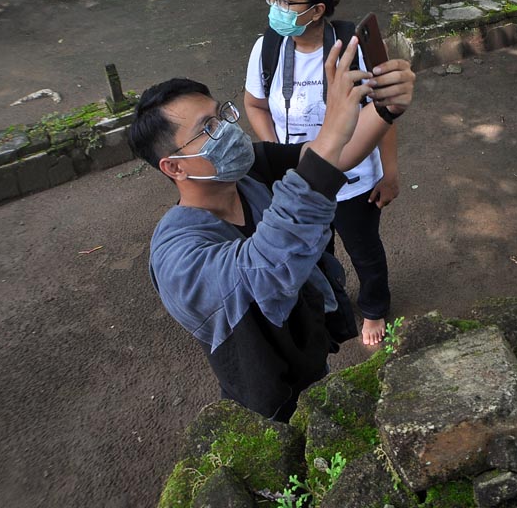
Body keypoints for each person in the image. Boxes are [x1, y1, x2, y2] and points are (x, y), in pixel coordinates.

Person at [128, 38, 415, 421]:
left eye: (221, 116)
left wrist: (384, 109)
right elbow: (264, 270)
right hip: (265, 395)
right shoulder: (176, 257)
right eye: (207, 129)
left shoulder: (250, 172)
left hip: (309, 346)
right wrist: (332, 130)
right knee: (285, 444)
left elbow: (328, 156)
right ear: (175, 167)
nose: (229, 130)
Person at [244, 0, 398, 346]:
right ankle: (327, 304)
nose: (275, 9)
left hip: (352, 181)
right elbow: (255, 104)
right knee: (313, 251)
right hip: (301, 181)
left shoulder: (352, 50)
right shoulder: (267, 50)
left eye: (285, 1)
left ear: (316, 10)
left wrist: (390, 173)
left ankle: (374, 308)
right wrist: (280, 153)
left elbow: (384, 115)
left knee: (364, 251)